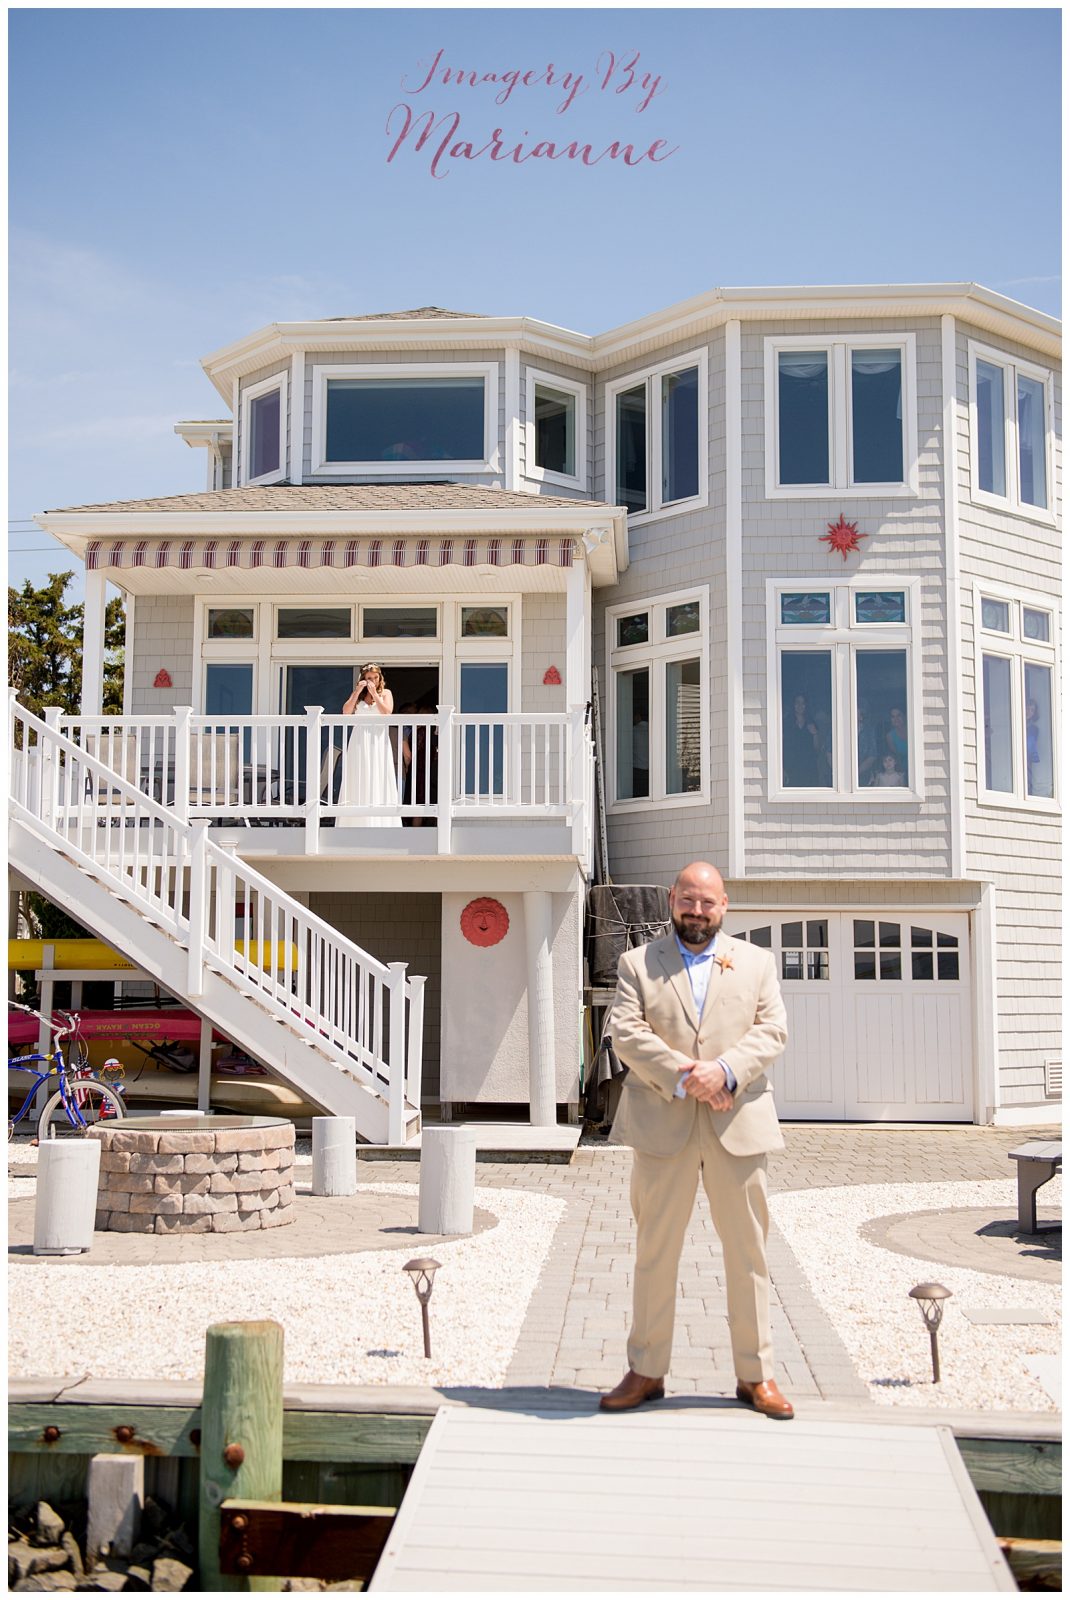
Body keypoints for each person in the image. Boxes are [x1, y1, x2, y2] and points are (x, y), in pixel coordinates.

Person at [600, 861, 793, 1419]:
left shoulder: (758, 962)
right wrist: (690, 1075)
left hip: (739, 1126)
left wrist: (726, 1070)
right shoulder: (638, 963)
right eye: (688, 900)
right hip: (664, 1127)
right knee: (655, 1252)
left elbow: (773, 1030)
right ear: (671, 899)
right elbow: (625, 1031)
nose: (697, 911)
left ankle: (756, 1376)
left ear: (724, 905)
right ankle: (646, 1370)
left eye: (708, 903)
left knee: (749, 1254)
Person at [339, 663, 402, 827]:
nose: (372, 680)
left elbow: (387, 712)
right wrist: (358, 691)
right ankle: (355, 822)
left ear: (379, 677)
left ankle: (381, 821)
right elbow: (346, 711)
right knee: (360, 773)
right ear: (363, 679)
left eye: (375, 677)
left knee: (378, 773)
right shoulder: (359, 695)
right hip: (360, 738)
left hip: (378, 738)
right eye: (369, 678)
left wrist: (375, 694)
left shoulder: (386, 693)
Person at [782, 693, 826, 787]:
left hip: (809, 768)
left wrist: (815, 734)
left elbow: (817, 749)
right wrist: (783, 769)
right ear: (793, 704)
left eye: (803, 703)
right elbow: (781, 747)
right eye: (797, 702)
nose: (800, 706)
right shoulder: (786, 723)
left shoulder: (811, 722)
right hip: (791, 768)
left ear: (806, 705)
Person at [885, 707, 909, 778]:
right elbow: (896, 758)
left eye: (899, 715)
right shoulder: (890, 736)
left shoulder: (913, 730)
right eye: (893, 717)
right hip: (903, 770)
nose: (896, 719)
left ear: (905, 716)